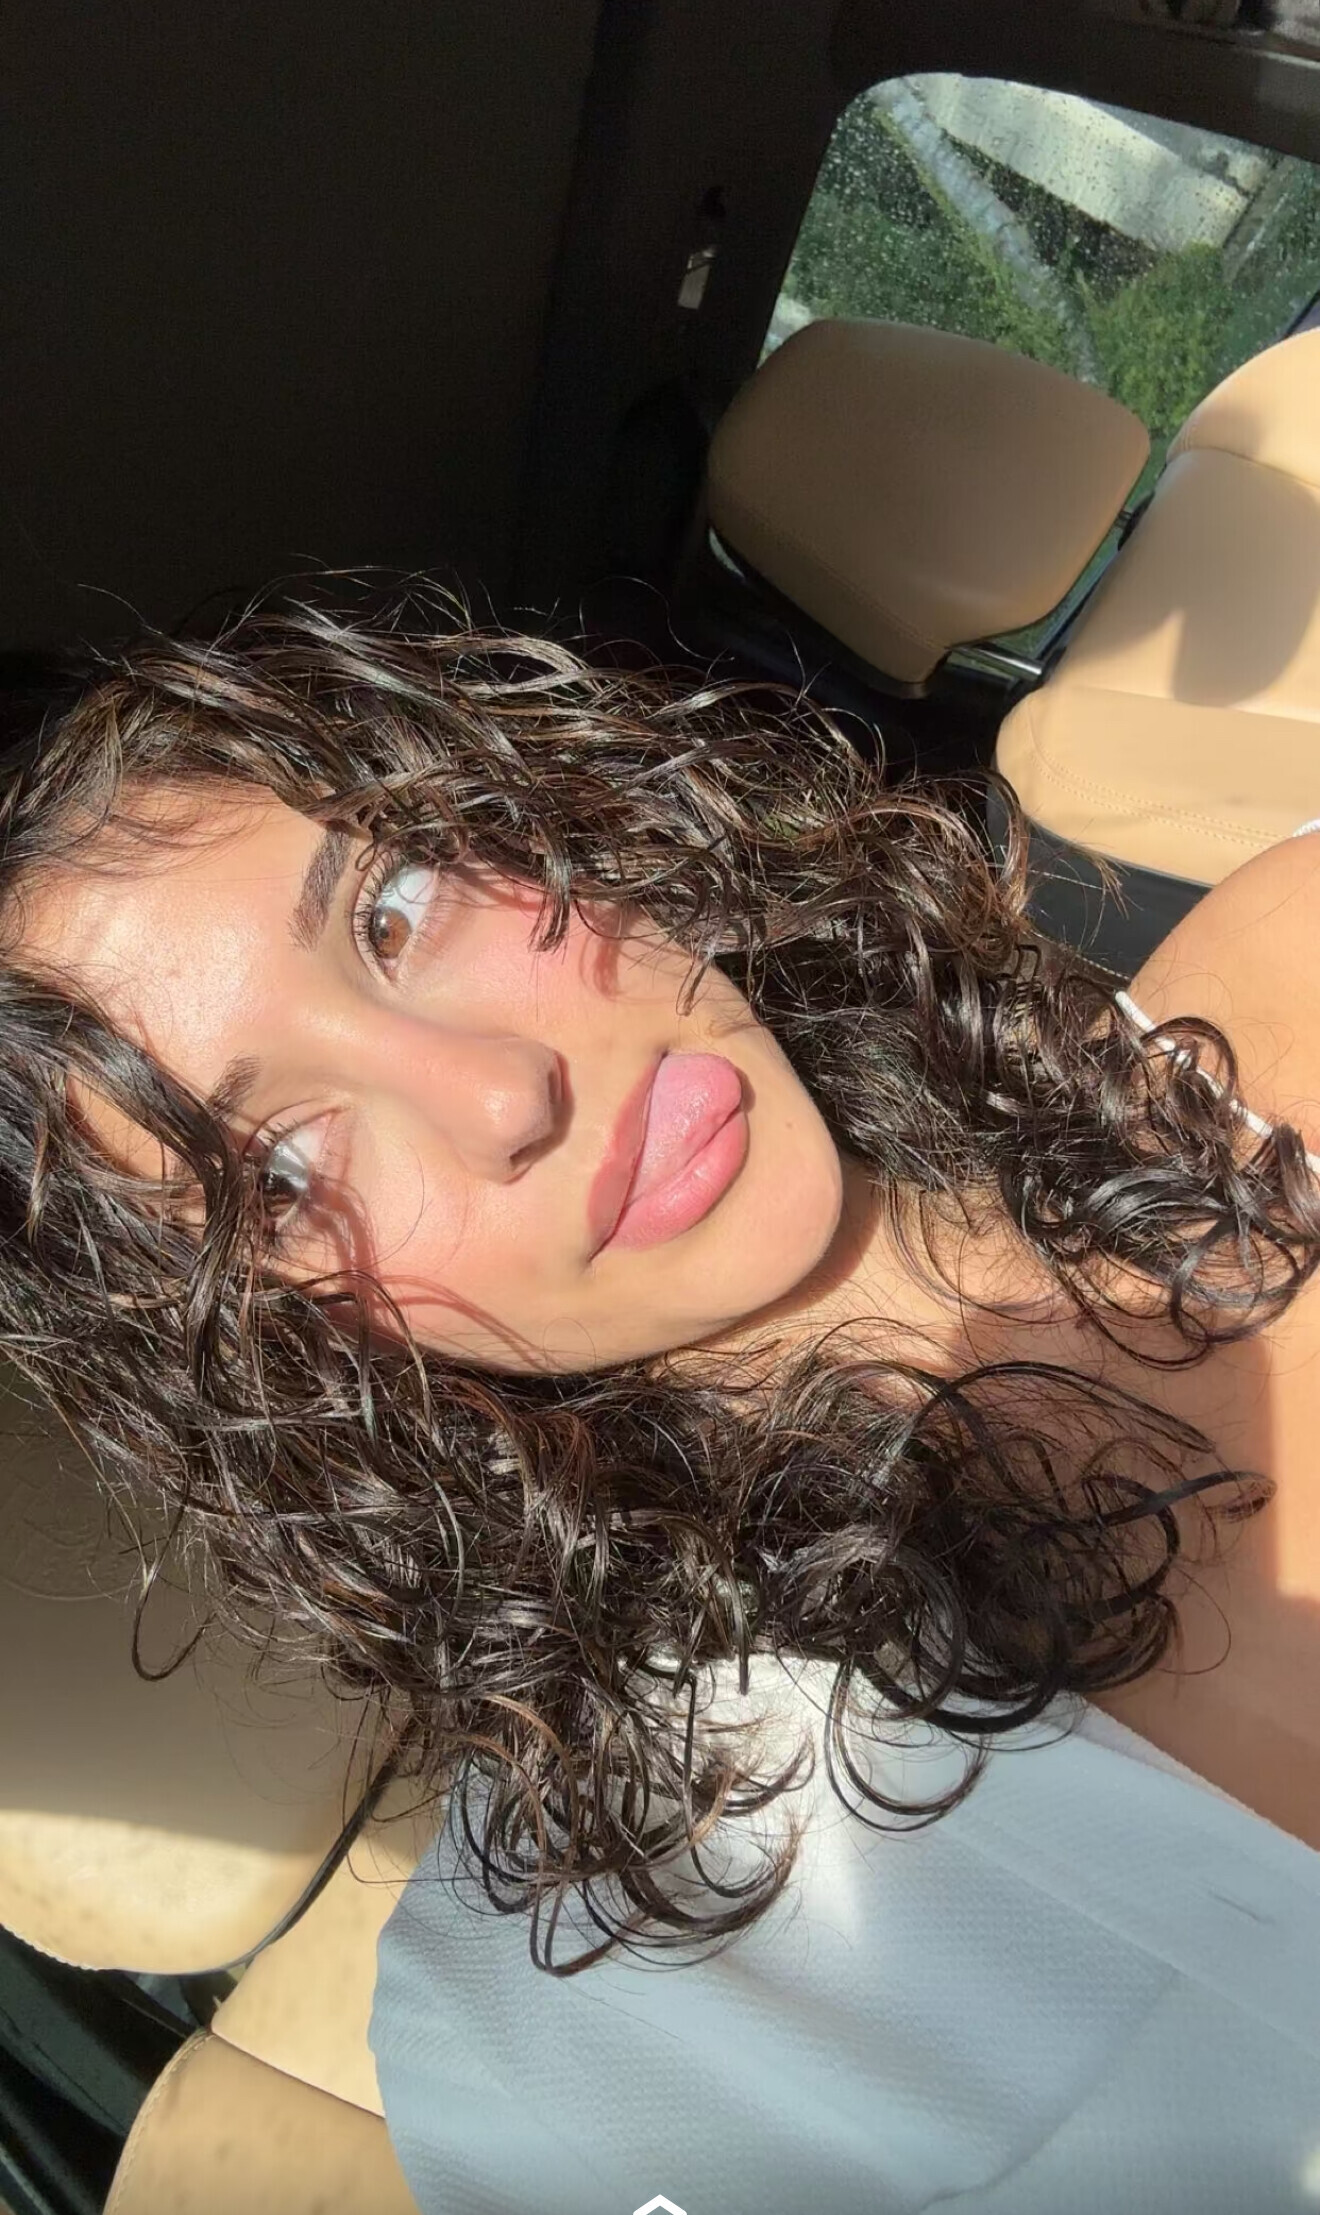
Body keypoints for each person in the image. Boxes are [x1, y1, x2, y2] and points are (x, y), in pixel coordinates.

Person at [3, 590, 1320, 2212]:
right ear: (274, 1353)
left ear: (523, 803)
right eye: (280, 1172)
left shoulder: (1296, 942)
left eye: (396, 908)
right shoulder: (593, 2041)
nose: (503, 1091)